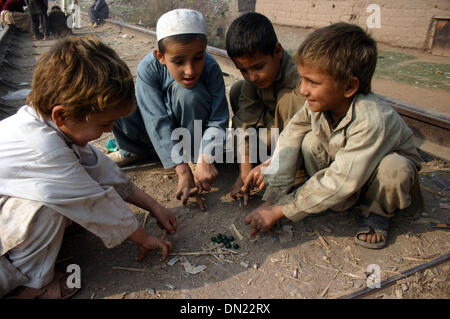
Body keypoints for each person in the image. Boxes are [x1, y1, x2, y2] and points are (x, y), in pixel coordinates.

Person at [0, 36, 177, 299]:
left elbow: (100, 167)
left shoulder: (48, 125)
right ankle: (31, 287)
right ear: (62, 115)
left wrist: (154, 206)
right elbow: (94, 201)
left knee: (62, 195)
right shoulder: (42, 151)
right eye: (104, 124)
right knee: (47, 207)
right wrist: (142, 237)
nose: (110, 130)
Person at [243, 22, 424, 249]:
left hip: (374, 180)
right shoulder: (318, 104)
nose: (303, 90)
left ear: (349, 87)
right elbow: (290, 137)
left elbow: (341, 179)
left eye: (313, 82)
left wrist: (281, 210)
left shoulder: (373, 118)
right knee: (307, 140)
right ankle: (336, 201)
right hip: (349, 173)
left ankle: (378, 213)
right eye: (302, 79)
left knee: (395, 168)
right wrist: (273, 198)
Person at [109, 9, 229, 212]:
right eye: (179, 61)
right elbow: (156, 119)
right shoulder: (148, 68)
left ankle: (193, 156)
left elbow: (218, 119)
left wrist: (206, 157)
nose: (190, 70)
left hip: (189, 135)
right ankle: (137, 152)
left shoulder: (211, 68)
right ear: (161, 56)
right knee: (118, 96)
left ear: (205, 50)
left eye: (198, 58)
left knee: (189, 94)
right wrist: (182, 171)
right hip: (152, 133)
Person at [225, 12, 305, 206]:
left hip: (298, 139)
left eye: (258, 67)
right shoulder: (253, 78)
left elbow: (301, 129)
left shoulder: (299, 78)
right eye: (243, 70)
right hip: (273, 132)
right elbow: (245, 120)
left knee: (288, 101)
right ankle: (262, 162)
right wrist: (245, 172)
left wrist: (275, 166)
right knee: (238, 90)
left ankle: (295, 173)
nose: (252, 76)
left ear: (277, 51)